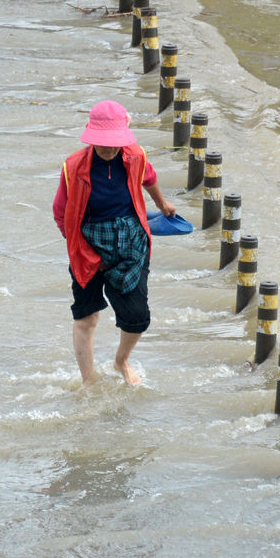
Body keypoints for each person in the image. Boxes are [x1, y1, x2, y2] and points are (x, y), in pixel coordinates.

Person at [53, 100, 177, 386]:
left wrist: (161, 203)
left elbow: (150, 179)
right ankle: (89, 380)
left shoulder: (136, 157)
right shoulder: (73, 167)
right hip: (87, 247)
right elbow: (61, 211)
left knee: (137, 317)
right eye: (103, 143)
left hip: (130, 244)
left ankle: (121, 361)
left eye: (114, 142)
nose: (109, 148)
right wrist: (76, 245)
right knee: (87, 316)